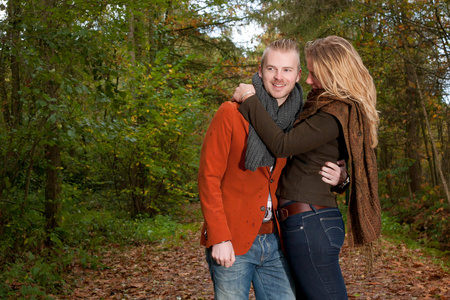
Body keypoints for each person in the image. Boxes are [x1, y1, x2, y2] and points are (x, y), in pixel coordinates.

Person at [198, 39, 349, 300]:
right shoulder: (231, 113)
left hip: (278, 240)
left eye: (287, 70)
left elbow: (315, 161)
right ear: (260, 71)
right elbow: (208, 178)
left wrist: (342, 178)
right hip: (233, 239)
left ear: (298, 75)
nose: (279, 77)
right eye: (271, 69)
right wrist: (219, 237)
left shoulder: (300, 120)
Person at [233, 35, 381, 300]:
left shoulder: (332, 114)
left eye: (315, 74)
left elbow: (282, 144)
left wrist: (250, 100)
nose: (309, 80)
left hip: (310, 223)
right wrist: (342, 179)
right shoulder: (323, 106)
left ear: (334, 72)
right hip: (307, 220)